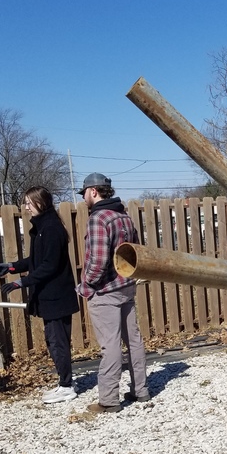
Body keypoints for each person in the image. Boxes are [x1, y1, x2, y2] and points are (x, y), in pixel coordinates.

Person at [0, 186, 80, 404]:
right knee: (53, 340)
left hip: (57, 296)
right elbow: (35, 260)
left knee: (58, 342)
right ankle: (64, 382)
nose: (27, 207)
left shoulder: (51, 228)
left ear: (41, 202)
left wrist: (22, 282)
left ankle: (67, 386)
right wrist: (11, 267)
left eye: (29, 203)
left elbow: (49, 265)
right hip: (48, 296)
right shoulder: (41, 228)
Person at [76, 172, 149, 413]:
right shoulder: (124, 217)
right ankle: (141, 391)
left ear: (93, 191)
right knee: (134, 340)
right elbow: (136, 250)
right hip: (126, 286)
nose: (84, 198)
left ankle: (108, 400)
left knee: (111, 346)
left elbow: (97, 261)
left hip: (105, 291)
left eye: (84, 193)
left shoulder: (99, 219)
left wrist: (86, 286)